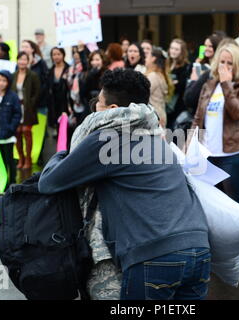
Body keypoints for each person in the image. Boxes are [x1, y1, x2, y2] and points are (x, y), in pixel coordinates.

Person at [38, 68, 210, 300]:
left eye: (97, 103)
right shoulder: (156, 135)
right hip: (199, 250)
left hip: (154, 256)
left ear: (112, 111)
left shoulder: (106, 139)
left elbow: (49, 182)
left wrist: (64, 154)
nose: (93, 109)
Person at [190, 43, 239, 206]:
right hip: (208, 155)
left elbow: (238, 113)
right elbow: (198, 118)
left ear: (238, 65)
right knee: (211, 204)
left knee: (234, 205)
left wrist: (227, 84)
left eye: (230, 63)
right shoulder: (209, 85)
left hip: (232, 156)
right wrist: (189, 146)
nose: (225, 67)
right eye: (222, 62)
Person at [11, 52, 41, 170]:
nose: (22, 62)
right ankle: (21, 158)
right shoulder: (13, 75)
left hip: (28, 108)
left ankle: (28, 158)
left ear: (28, 61)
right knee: (17, 132)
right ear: (17, 61)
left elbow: (37, 92)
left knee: (26, 132)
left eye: (24, 59)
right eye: (20, 59)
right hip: (16, 108)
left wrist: (30, 104)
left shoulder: (33, 75)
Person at [166, 39, 191, 128]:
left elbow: (181, 86)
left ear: (182, 52)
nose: (173, 51)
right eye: (172, 48)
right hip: (166, 104)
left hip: (177, 106)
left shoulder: (186, 67)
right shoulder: (166, 64)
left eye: (176, 49)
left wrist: (170, 84)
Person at [20, 40, 49, 113]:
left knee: (40, 123)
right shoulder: (19, 64)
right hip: (23, 103)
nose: (24, 49)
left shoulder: (41, 63)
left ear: (32, 49)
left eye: (26, 47)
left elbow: (45, 81)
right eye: (22, 47)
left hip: (39, 102)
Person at [145, 48, 169, 128]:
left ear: (153, 58)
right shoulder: (160, 75)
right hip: (159, 114)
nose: (145, 59)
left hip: (155, 117)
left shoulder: (153, 76)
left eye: (147, 56)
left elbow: (142, 94)